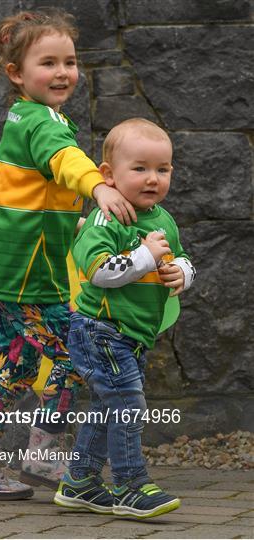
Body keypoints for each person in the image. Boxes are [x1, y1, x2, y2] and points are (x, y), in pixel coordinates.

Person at [0, 10, 138, 501]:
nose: (62, 73)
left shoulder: (23, 118)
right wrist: (98, 186)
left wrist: (73, 221)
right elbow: (66, 161)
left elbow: (35, 199)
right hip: (31, 280)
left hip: (8, 275)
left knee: (11, 368)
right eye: (48, 62)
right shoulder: (43, 122)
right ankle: (46, 456)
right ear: (16, 73)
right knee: (82, 355)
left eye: (70, 62)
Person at [54, 118, 196, 518]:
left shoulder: (162, 218)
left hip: (130, 335)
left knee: (107, 407)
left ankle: (79, 480)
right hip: (100, 330)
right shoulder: (106, 218)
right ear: (108, 175)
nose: (153, 178)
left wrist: (180, 272)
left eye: (162, 169)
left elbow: (182, 256)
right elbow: (99, 271)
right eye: (140, 168)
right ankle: (131, 484)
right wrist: (146, 256)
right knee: (128, 406)